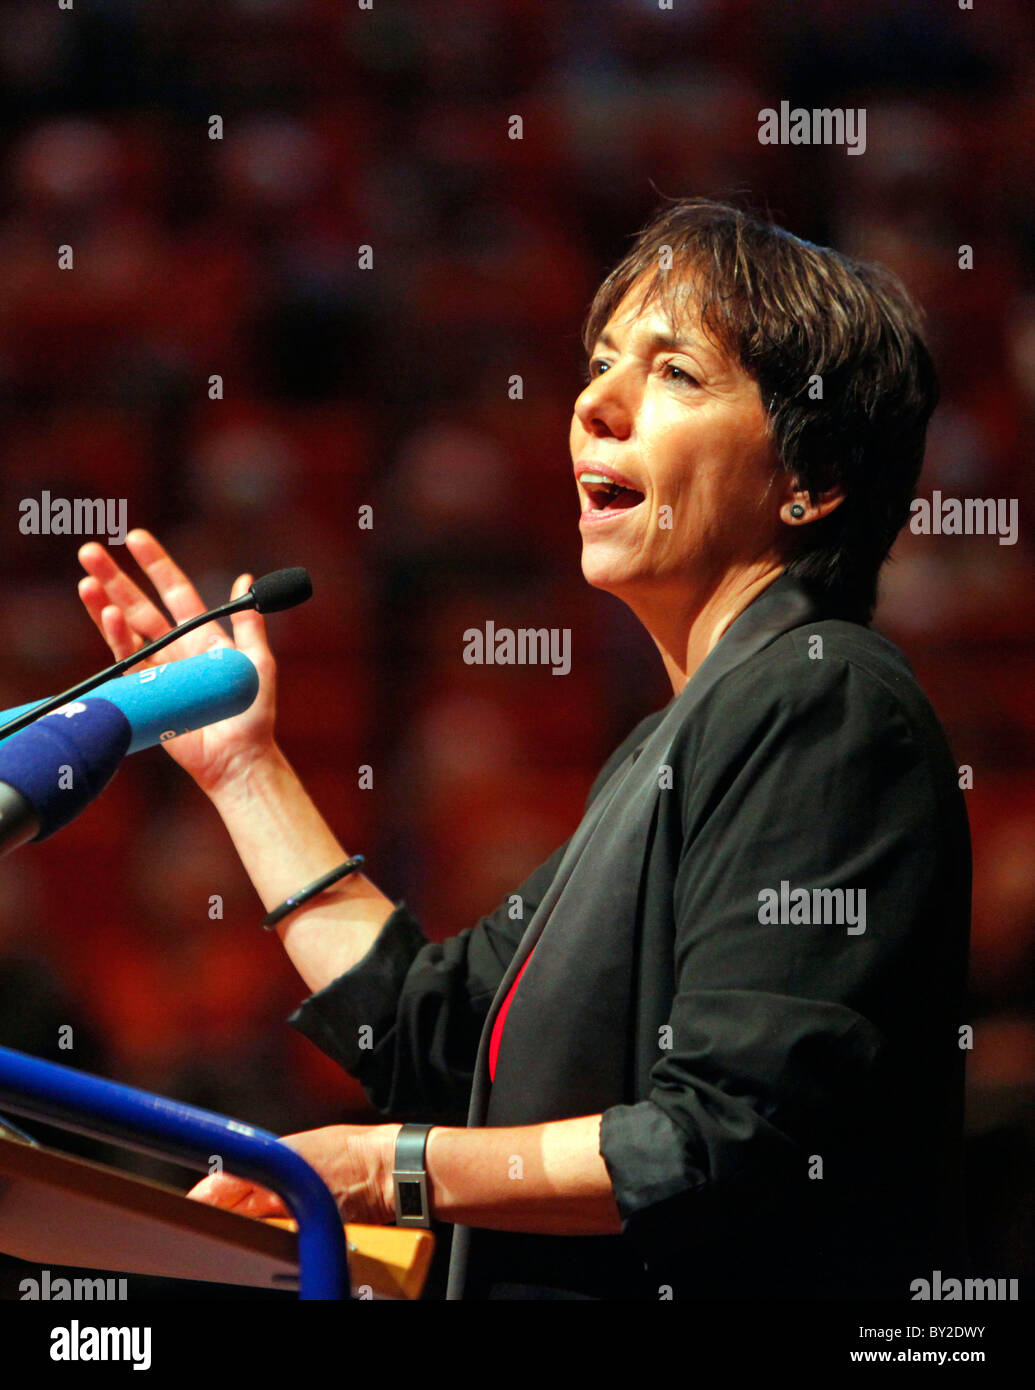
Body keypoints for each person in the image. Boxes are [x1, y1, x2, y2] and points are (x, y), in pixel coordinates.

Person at [77, 198, 971, 1301]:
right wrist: (243, 768)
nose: (595, 402)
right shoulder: (672, 743)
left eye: (677, 373)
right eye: (600, 365)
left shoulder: (826, 699)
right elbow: (437, 1039)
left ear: (814, 478)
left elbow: (725, 1135)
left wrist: (383, 1165)